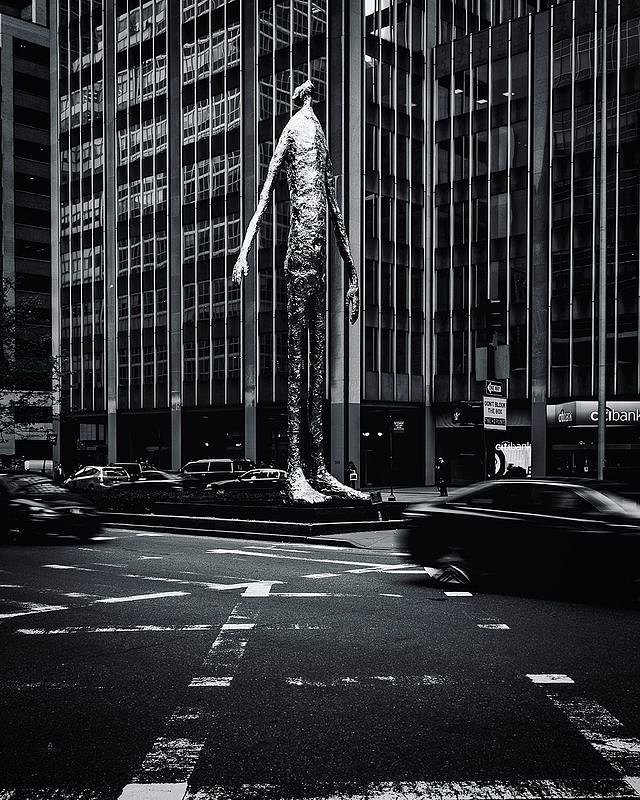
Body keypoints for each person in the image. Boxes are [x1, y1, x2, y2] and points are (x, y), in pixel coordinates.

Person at [233, 79, 365, 504]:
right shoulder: (293, 130)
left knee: (316, 367)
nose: (311, 103)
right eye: (308, 97)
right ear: (301, 99)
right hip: (298, 263)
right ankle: (295, 470)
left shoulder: (319, 137)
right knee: (296, 366)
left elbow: (332, 203)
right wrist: (244, 253)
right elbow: (266, 194)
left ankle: (320, 468)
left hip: (320, 263)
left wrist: (352, 272)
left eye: (312, 98)